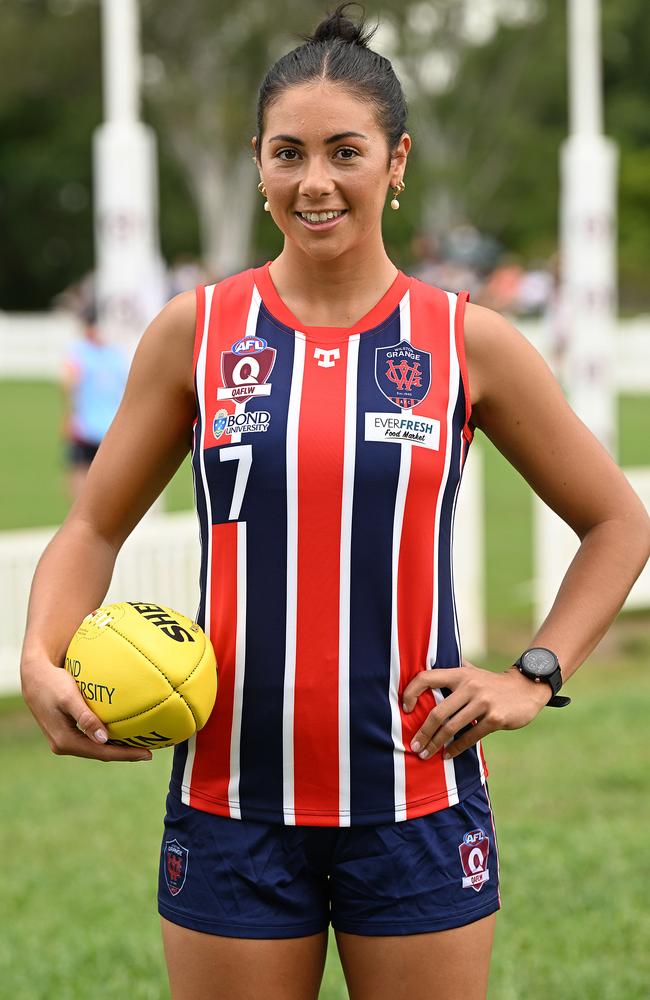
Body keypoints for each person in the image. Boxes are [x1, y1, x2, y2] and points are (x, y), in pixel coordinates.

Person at [20, 5, 650, 999]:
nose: (314, 181)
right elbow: (94, 524)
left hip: (415, 799)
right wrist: (38, 656)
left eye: (344, 151)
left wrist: (532, 672)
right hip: (229, 805)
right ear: (258, 164)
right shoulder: (199, 332)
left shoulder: (463, 341)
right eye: (288, 153)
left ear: (395, 163)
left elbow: (616, 521)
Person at [60, 304, 129, 500]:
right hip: (105, 426)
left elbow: (69, 382)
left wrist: (69, 415)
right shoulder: (115, 353)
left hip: (89, 425)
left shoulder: (79, 351)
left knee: (81, 475)